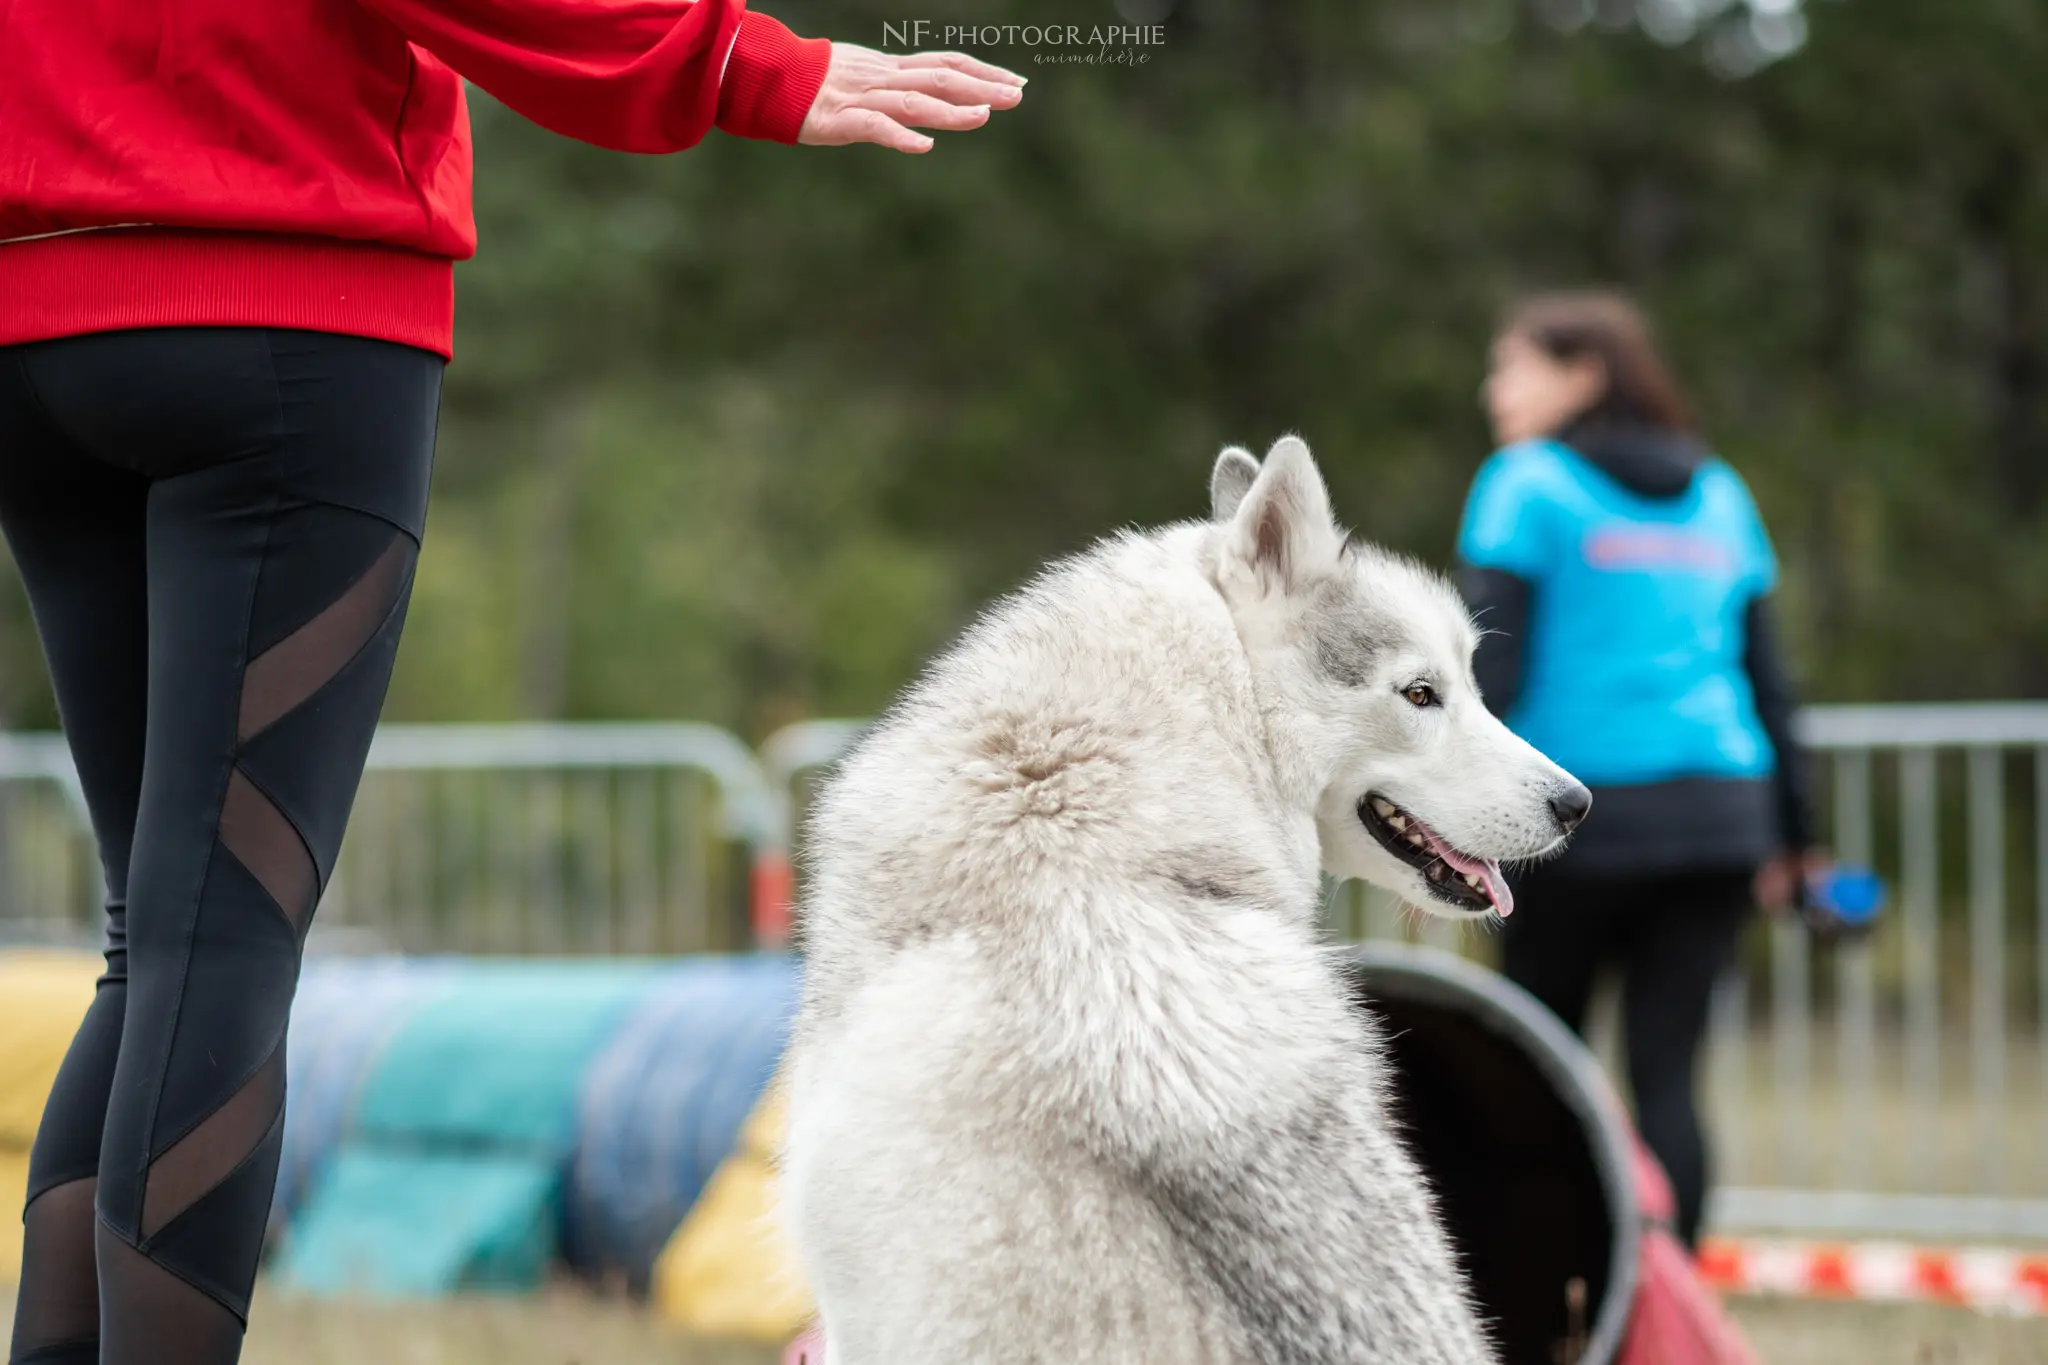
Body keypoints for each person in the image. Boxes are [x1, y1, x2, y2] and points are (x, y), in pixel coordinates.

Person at [1, 4, 1022, 1361]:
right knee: (217, 941)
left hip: (34, 321)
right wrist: (735, 62)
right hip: (283, 292)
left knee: (160, 942)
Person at [1456, 292, 1824, 1251]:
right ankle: (1676, 1306)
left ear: (1582, 374)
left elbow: (1487, 667)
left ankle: (1560, 1289)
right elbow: (1769, 683)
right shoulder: (1721, 493)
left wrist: (1450, 817)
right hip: (1716, 818)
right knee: (1669, 1078)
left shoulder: (1524, 484)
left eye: (1513, 367)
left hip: (1571, 818)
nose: (1494, 389)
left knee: (1541, 1067)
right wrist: (1799, 838)